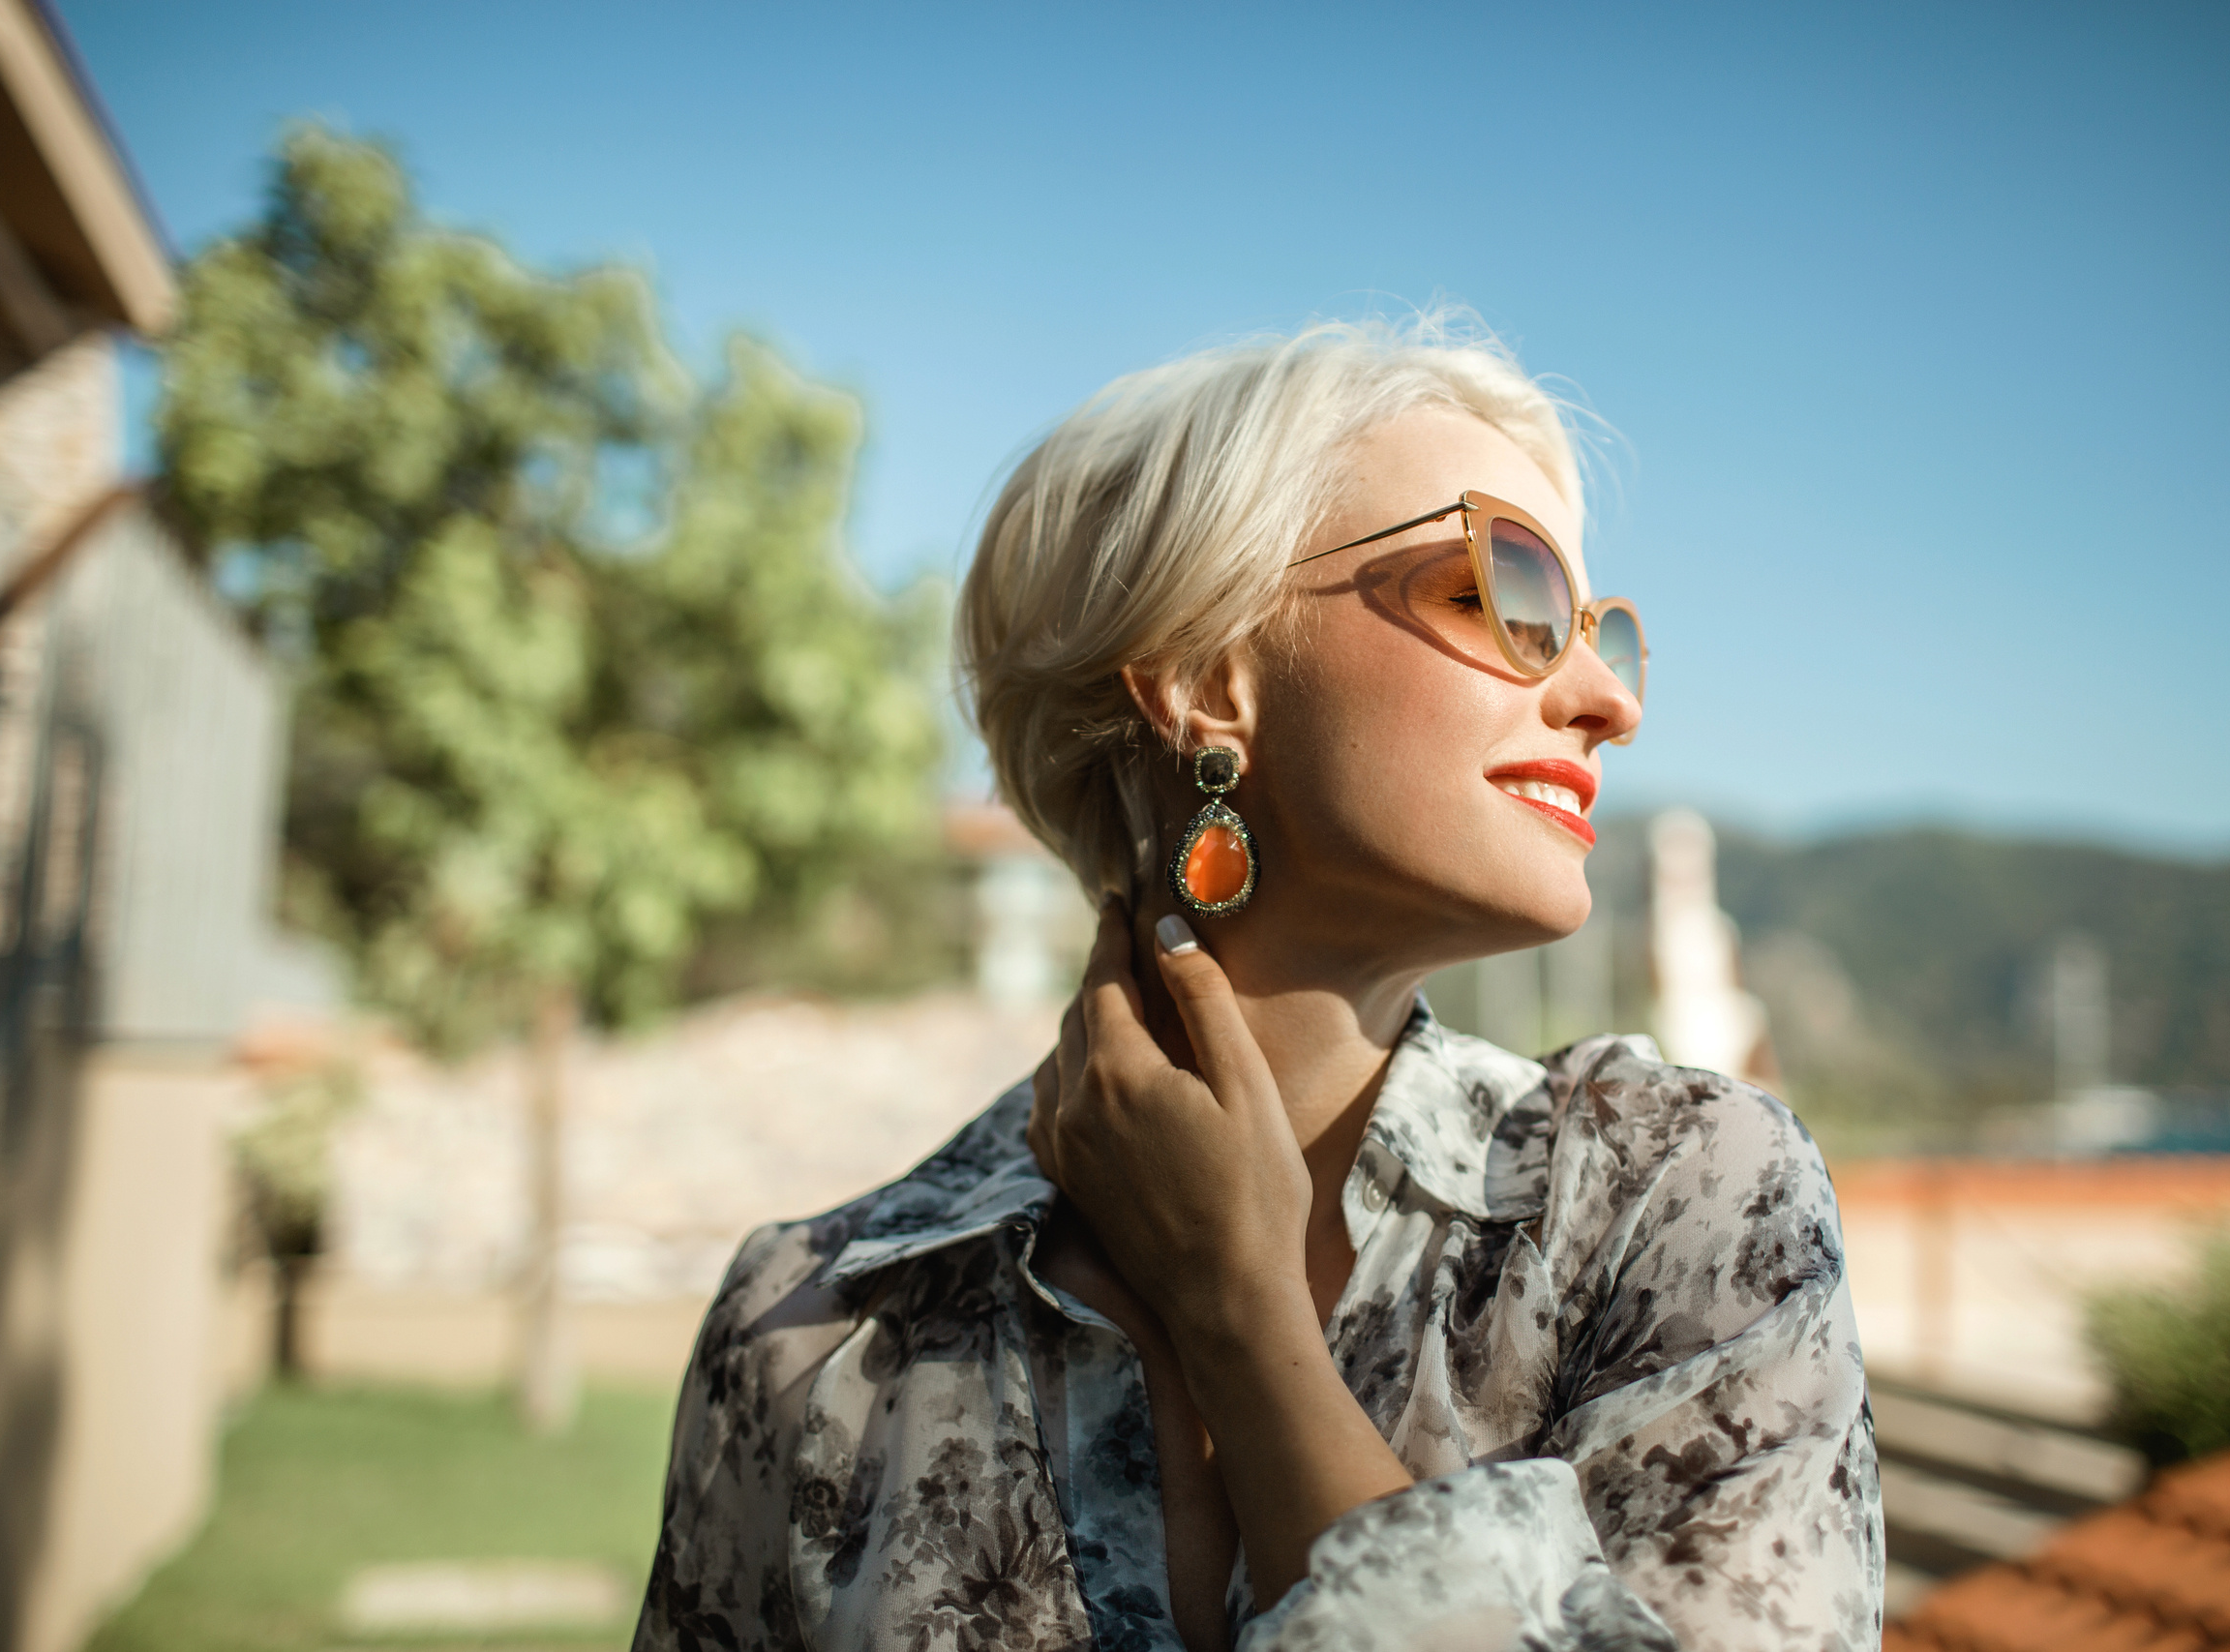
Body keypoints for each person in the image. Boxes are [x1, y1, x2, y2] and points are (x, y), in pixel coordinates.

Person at [634, 315, 1882, 1652]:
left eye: (1591, 629)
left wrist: (1240, 1312)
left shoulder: (1676, 1204)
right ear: (1205, 677)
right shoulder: (821, 1322)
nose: (1604, 700)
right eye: (1500, 593)